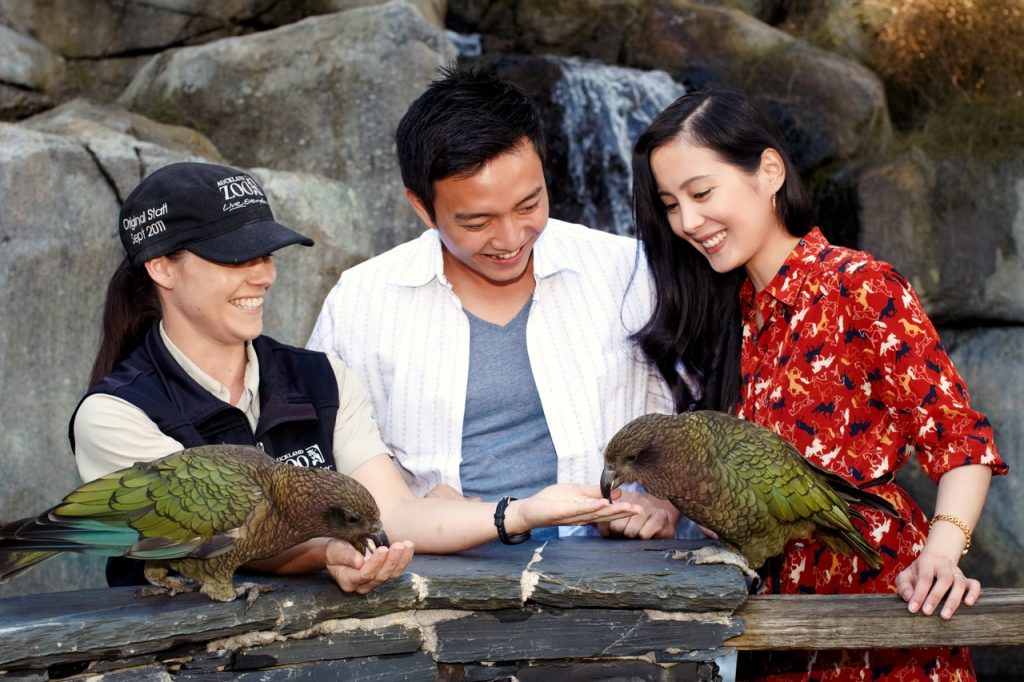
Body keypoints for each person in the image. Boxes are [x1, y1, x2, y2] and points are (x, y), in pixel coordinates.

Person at [70, 161, 643, 595]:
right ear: (161, 266)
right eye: (234, 258)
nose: (263, 276)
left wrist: (524, 511)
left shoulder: (323, 378)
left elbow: (392, 512)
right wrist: (327, 551)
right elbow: (223, 540)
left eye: (266, 254)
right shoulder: (117, 415)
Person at [630, 89, 1008, 680]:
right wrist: (668, 502)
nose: (687, 222)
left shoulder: (860, 286)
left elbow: (958, 438)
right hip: (774, 630)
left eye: (702, 193)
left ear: (770, 170)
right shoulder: (731, 316)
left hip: (882, 610)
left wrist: (941, 554)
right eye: (670, 204)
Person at [307, 68, 680, 540]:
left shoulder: (628, 272)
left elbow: (694, 409)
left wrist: (663, 504)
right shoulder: (360, 303)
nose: (510, 239)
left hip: (615, 568)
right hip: (439, 571)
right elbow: (321, 458)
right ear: (422, 207)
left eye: (529, 205)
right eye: (477, 221)